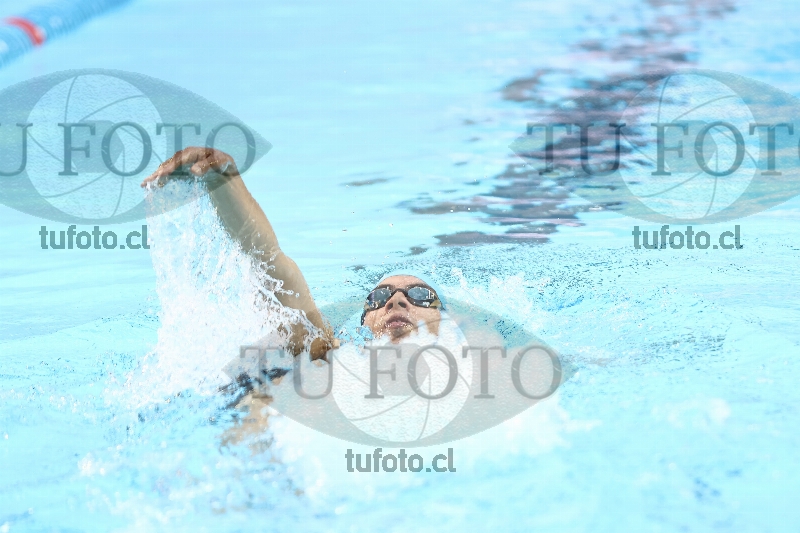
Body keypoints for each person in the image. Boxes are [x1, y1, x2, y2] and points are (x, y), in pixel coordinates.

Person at [141, 147, 443, 360]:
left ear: (448, 321)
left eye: (420, 295)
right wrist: (224, 179)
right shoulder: (335, 360)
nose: (395, 301)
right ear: (363, 324)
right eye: (378, 297)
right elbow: (270, 262)